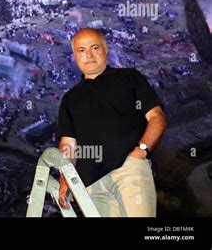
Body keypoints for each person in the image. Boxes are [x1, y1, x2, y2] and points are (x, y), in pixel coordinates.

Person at [57, 28, 167, 217]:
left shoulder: (129, 77)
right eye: (81, 50)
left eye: (94, 47)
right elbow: (68, 144)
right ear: (75, 55)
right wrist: (64, 179)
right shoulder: (70, 99)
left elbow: (157, 117)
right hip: (91, 185)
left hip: (129, 170)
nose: (88, 55)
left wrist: (140, 152)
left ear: (105, 49)